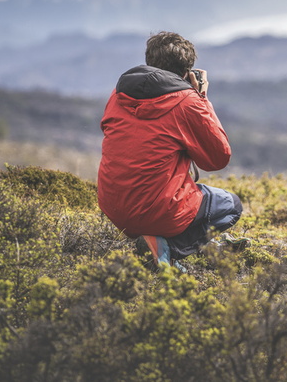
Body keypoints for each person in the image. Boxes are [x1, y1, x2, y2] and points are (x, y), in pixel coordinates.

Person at [97, 31, 246, 270]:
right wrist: (201, 99)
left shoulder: (118, 95)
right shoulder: (187, 102)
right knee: (231, 205)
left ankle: (159, 242)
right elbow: (218, 158)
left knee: (186, 193)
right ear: (187, 72)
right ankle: (166, 249)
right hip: (157, 210)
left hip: (113, 206)